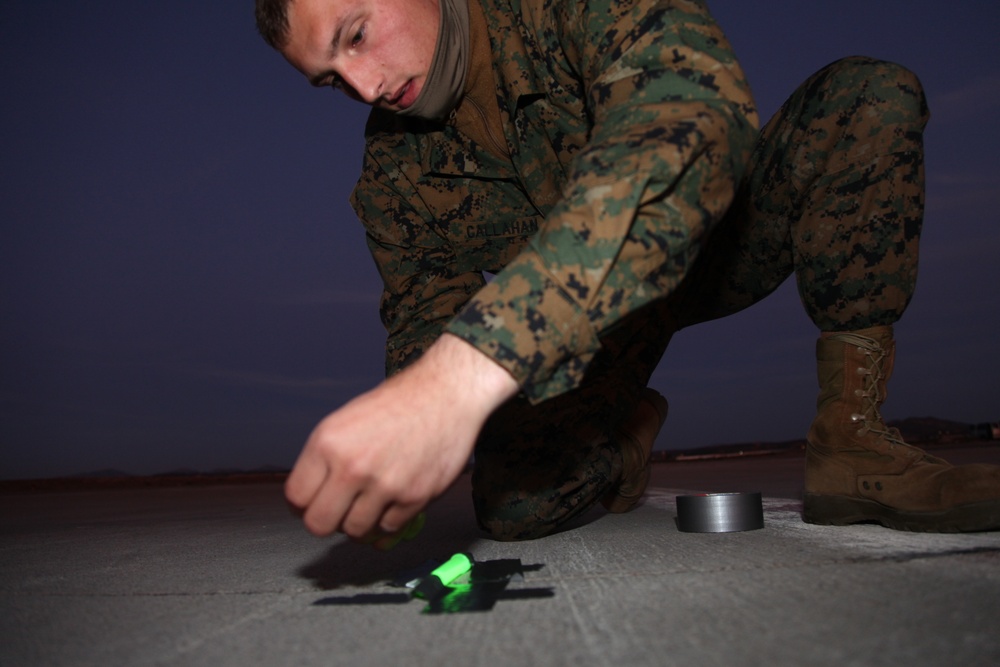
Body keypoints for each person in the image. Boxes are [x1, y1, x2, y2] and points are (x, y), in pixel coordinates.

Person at [254, 0, 1000, 548]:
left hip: (720, 239)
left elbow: (687, 119)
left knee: (866, 97)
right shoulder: (392, 172)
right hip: (597, 327)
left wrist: (467, 371)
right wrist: (405, 441)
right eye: (330, 78)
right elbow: (423, 316)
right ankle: (631, 426)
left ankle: (854, 439)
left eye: (356, 36)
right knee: (513, 505)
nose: (363, 85)